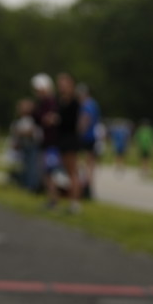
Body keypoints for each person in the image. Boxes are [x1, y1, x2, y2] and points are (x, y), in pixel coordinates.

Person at [31, 73, 61, 208]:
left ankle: (53, 199)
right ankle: (51, 198)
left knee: (50, 171)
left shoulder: (51, 102)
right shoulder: (44, 103)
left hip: (51, 142)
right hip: (46, 141)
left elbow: (47, 120)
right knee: (47, 172)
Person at [55, 72, 83, 212]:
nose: (61, 87)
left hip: (70, 139)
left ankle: (75, 202)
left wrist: (57, 120)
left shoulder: (74, 102)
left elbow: (72, 122)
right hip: (63, 139)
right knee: (67, 172)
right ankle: (69, 200)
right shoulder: (61, 101)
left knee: (72, 172)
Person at [76, 83, 100, 197]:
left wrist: (79, 132)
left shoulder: (86, 104)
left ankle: (84, 186)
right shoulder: (94, 104)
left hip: (85, 137)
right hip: (92, 136)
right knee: (90, 163)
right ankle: (88, 186)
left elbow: (85, 119)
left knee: (82, 162)